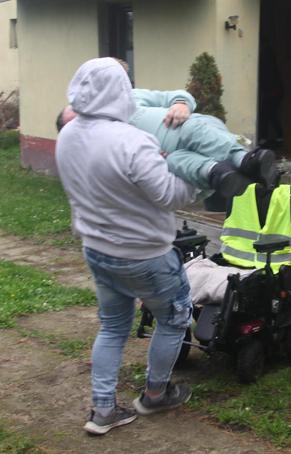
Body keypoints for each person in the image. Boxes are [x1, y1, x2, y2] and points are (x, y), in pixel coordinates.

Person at [56, 57, 198, 435]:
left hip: (97, 250)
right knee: (173, 319)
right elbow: (170, 195)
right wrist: (197, 177)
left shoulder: (68, 134)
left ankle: (103, 410)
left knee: (113, 328)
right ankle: (155, 395)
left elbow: (112, 181)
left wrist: (155, 166)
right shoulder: (133, 141)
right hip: (146, 256)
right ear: (121, 90)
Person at [57, 88, 277, 198]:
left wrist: (181, 104)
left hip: (193, 129)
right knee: (175, 161)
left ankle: (246, 160)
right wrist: (147, 160)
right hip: (174, 159)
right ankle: (221, 174)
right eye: (76, 124)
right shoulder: (101, 148)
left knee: (190, 130)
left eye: (79, 114)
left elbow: (174, 94)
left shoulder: (128, 98)